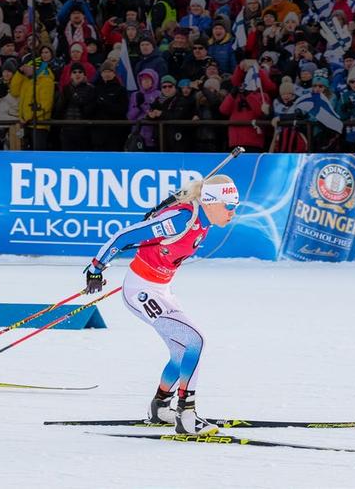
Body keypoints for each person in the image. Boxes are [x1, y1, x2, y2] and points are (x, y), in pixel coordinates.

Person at [82, 175, 240, 435]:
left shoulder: (203, 218)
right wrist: (96, 268)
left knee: (182, 352)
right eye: (229, 206)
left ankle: (160, 407)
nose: (233, 212)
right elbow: (124, 236)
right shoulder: (182, 219)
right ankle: (187, 415)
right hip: (141, 290)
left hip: (161, 290)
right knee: (195, 340)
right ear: (211, 202)